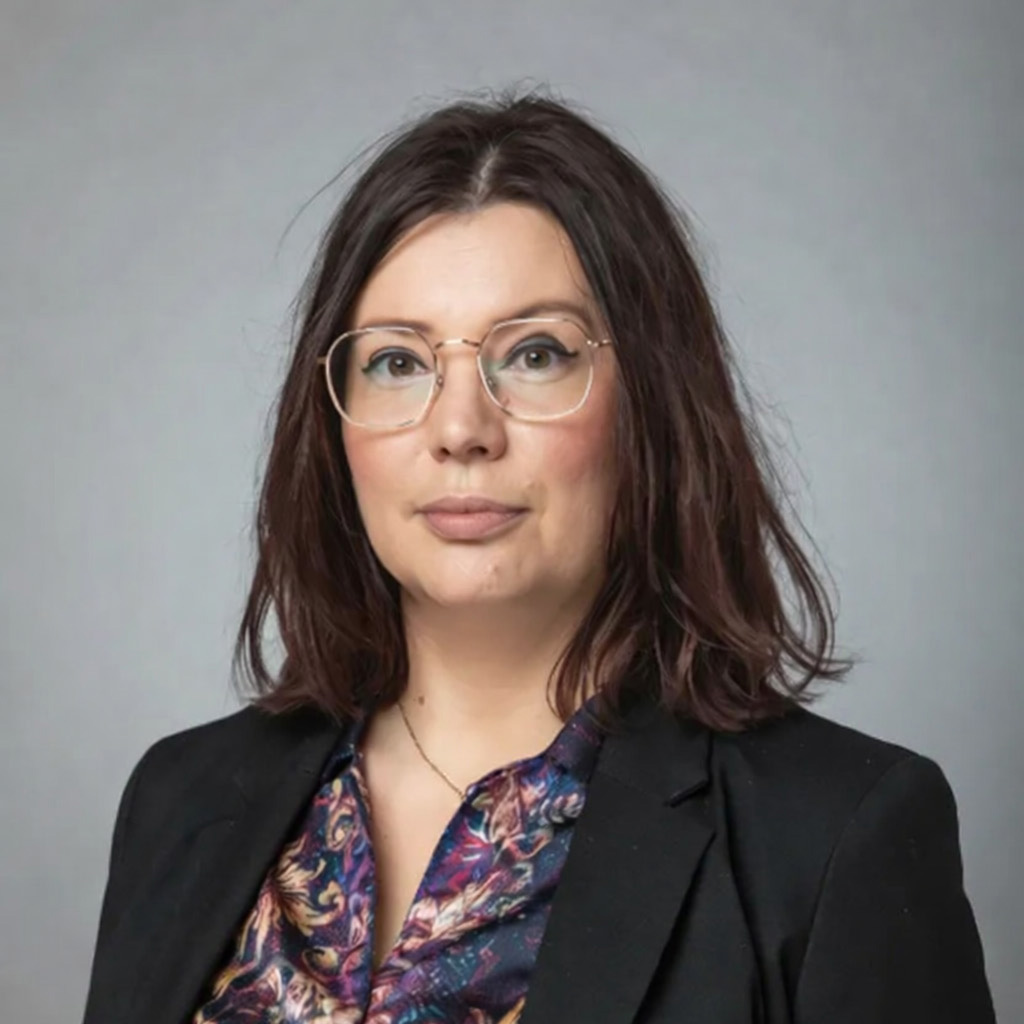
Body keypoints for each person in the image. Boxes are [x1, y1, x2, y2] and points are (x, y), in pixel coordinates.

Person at [81, 88, 996, 1024]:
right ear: (333, 421)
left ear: (652, 402)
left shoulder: (836, 836)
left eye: (535, 355)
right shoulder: (182, 799)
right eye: (398, 361)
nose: (460, 428)